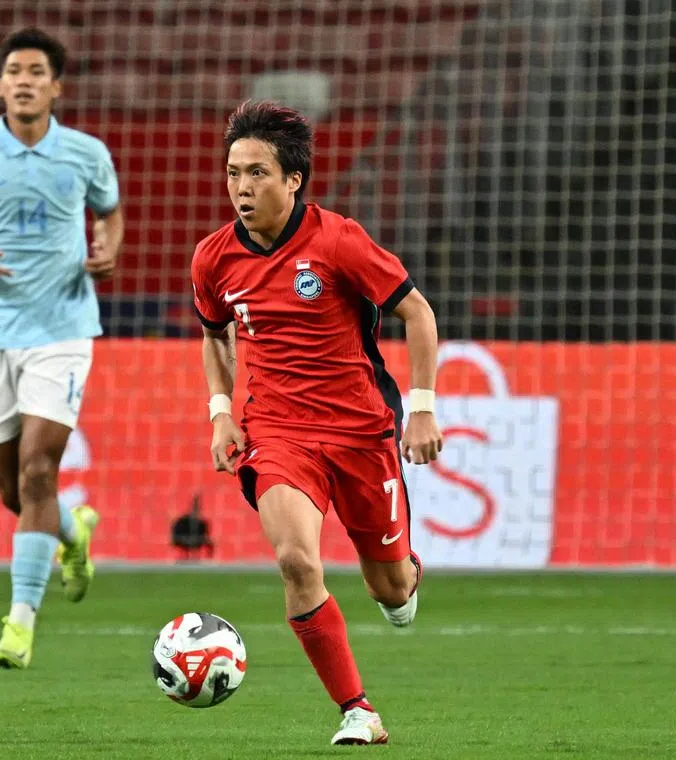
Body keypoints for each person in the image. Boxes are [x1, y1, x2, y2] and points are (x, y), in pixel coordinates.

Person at [191, 100, 443, 746]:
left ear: (293, 179)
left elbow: (417, 312)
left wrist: (420, 407)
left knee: (391, 590)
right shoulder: (214, 258)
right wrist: (221, 414)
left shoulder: (338, 241)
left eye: (257, 173)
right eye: (233, 173)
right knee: (296, 561)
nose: (242, 188)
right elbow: (214, 335)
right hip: (277, 433)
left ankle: (404, 570)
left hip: (361, 431)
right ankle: (357, 710)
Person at [0, 27, 124, 669]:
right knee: (16, 493)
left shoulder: (86, 154)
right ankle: (72, 529)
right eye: (15, 71)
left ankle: (20, 625)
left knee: (39, 471)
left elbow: (110, 212)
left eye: (37, 71)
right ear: (0, 85)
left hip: (63, 331)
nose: (25, 81)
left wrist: (109, 248)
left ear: (56, 87)